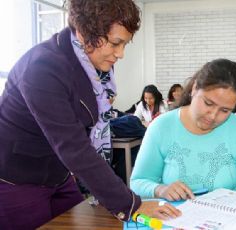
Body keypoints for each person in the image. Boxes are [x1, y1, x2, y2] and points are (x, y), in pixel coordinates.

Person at [0, 1, 180, 228]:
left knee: (90, 221)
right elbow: (74, 146)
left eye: (124, 44)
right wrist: (131, 204)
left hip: (58, 174)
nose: (121, 54)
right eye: (116, 43)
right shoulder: (42, 67)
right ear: (86, 32)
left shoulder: (91, 64)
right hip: (18, 179)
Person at [130, 59, 236, 201]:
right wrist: (160, 190)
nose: (213, 115)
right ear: (194, 88)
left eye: (225, 110)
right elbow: (138, 182)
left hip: (232, 219)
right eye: (208, 103)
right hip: (176, 219)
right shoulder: (161, 127)